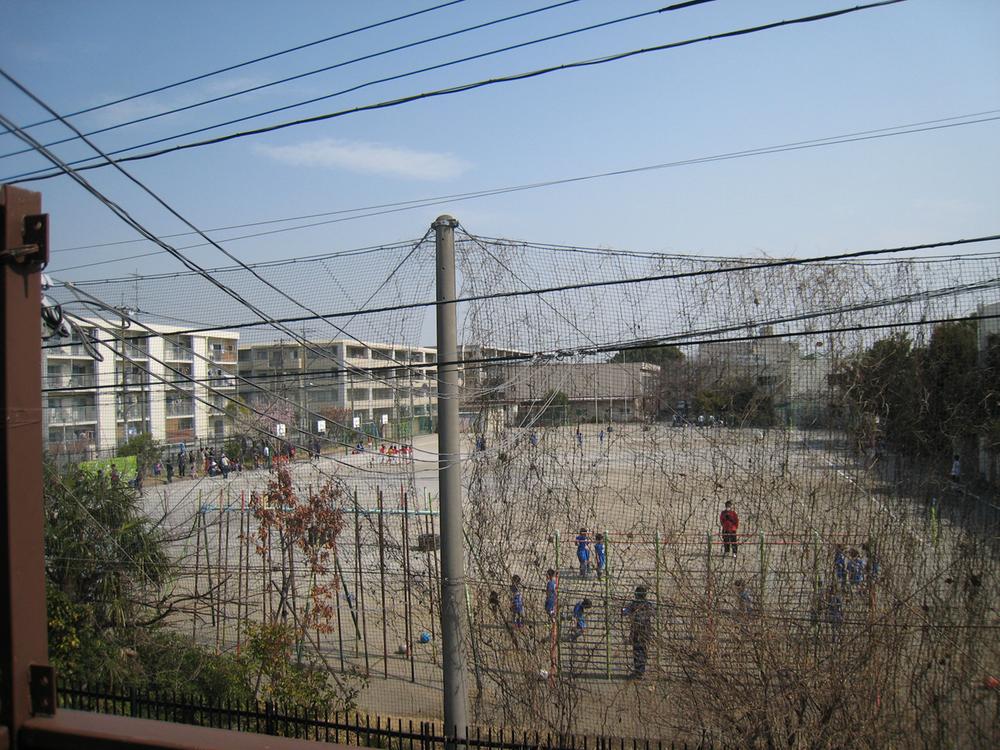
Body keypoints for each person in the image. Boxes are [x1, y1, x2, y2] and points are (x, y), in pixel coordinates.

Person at [622, 585, 654, 678]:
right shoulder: (648, 604)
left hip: (636, 631)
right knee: (643, 651)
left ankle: (638, 671)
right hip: (646, 631)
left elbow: (624, 612)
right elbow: (653, 612)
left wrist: (625, 608)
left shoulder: (633, 604)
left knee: (637, 651)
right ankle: (640, 671)